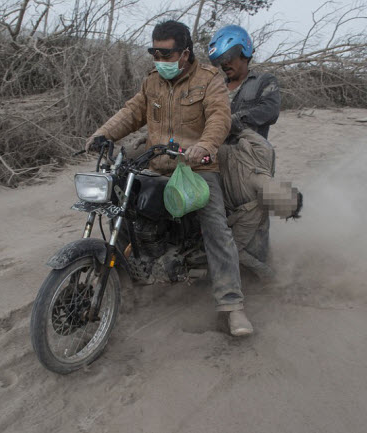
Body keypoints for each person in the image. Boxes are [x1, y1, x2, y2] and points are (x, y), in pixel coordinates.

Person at [86, 20, 253, 336]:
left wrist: (204, 146)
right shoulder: (152, 82)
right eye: (154, 53)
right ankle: (124, 275)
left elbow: (220, 118)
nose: (159, 60)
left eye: (166, 53)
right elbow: (132, 112)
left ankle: (233, 306)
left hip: (197, 169)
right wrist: (103, 133)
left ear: (185, 53)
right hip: (156, 164)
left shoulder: (209, 81)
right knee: (119, 205)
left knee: (216, 228)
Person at [208, 25, 282, 279]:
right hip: (217, 164)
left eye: (229, 58)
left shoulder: (263, 82)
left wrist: (234, 120)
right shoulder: (215, 87)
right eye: (220, 60)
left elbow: (270, 111)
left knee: (253, 223)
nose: (224, 64)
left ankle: (262, 280)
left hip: (249, 165)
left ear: (244, 52)